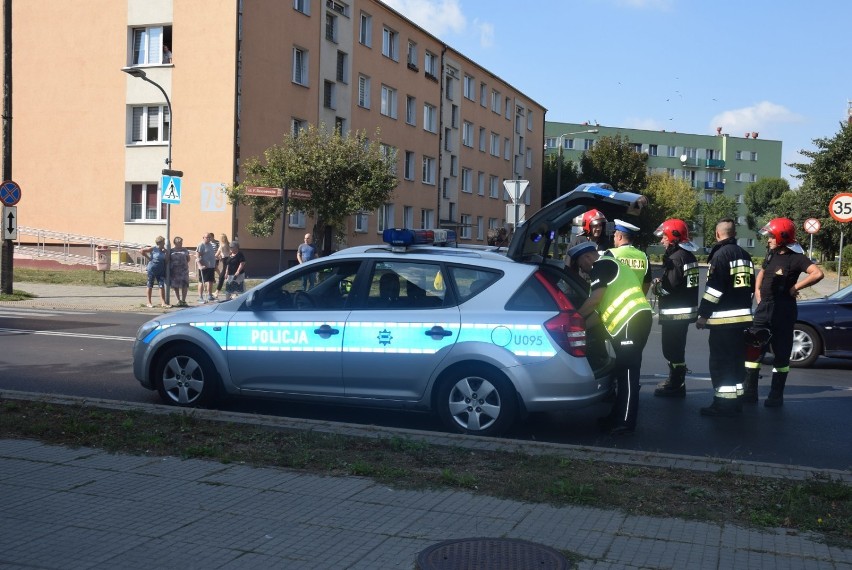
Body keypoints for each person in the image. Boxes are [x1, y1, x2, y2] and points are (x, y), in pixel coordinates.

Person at [568, 241, 652, 435]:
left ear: (587, 257)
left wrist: (574, 319)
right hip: (633, 322)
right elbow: (598, 313)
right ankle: (616, 416)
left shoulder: (601, 265)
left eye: (581, 265)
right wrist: (581, 329)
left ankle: (625, 422)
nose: (583, 270)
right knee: (622, 372)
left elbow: (595, 300)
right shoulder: (610, 267)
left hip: (631, 322)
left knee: (629, 374)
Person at [744, 218, 824, 407]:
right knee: (753, 351)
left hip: (783, 310)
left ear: (782, 236)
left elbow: (817, 273)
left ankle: (775, 396)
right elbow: (763, 272)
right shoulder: (771, 253)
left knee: (781, 355)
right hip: (764, 310)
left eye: (771, 236)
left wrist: (795, 286)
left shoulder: (796, 257)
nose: (768, 240)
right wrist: (757, 290)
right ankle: (749, 393)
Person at [695, 218, 754, 417]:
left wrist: (703, 315)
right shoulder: (745, 255)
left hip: (723, 321)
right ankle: (736, 401)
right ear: (734, 234)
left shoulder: (720, 256)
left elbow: (714, 290)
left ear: (718, 234)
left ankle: (722, 404)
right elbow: (751, 287)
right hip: (741, 320)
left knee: (721, 363)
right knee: (737, 362)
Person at [652, 219, 700, 398]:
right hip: (685, 312)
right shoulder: (689, 256)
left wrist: (657, 285)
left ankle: (676, 384)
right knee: (678, 348)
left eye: (664, 237)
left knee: (671, 349)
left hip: (675, 314)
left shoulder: (676, 258)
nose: (661, 241)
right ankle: (677, 381)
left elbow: (668, 289)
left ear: (673, 237)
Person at [603, 219, 651, 295]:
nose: (614, 238)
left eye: (614, 236)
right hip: (637, 304)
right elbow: (647, 283)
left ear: (620, 237)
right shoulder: (643, 256)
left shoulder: (612, 254)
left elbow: (601, 282)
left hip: (616, 305)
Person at [141, 236, 169, 308]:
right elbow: (141, 251)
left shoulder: (164, 251)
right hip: (152, 269)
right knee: (150, 285)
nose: (164, 244)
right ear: (159, 243)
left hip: (161, 270)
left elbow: (166, 261)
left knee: (161, 286)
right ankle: (149, 302)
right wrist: (149, 258)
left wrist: (166, 253)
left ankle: (163, 302)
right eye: (163, 242)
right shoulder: (153, 249)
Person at [168, 236, 191, 307]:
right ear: (175, 243)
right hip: (174, 270)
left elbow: (188, 258)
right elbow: (169, 259)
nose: (180, 244)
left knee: (184, 285)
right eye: (178, 243)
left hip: (183, 270)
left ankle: (183, 300)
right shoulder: (171, 250)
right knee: (176, 286)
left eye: (181, 242)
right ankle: (178, 300)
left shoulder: (185, 250)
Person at [196, 233, 217, 303]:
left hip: (211, 266)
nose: (208, 239)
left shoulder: (210, 244)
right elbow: (198, 256)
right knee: (202, 281)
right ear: (203, 237)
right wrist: (200, 265)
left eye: (209, 238)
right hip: (204, 267)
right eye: (207, 237)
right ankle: (200, 297)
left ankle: (210, 295)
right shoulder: (201, 245)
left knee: (210, 281)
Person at [214, 233, 232, 299]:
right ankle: (232, 292)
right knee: (228, 276)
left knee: (222, 276)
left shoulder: (222, 245)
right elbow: (231, 252)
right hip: (229, 259)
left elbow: (216, 255)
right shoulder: (228, 244)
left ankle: (217, 292)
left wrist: (219, 258)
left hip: (225, 260)